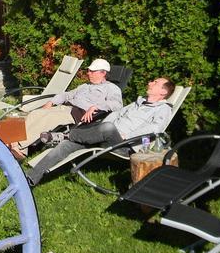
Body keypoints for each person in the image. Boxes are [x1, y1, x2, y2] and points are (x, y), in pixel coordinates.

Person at [26, 77, 176, 186]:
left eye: (155, 82)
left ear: (163, 91)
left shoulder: (163, 109)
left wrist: (126, 136)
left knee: (107, 128)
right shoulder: (138, 102)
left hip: (125, 145)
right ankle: (31, 178)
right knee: (67, 145)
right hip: (106, 136)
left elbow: (155, 129)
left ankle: (65, 134)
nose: (150, 82)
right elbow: (116, 114)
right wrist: (101, 128)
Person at [15, 58, 123, 154]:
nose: (88, 73)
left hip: (75, 114)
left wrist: (96, 107)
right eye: (89, 70)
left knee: (47, 119)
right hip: (64, 107)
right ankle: (17, 144)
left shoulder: (111, 88)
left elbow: (117, 104)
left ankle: (19, 146)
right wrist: (52, 102)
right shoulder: (85, 86)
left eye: (92, 71)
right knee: (35, 114)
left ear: (103, 73)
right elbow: (68, 94)